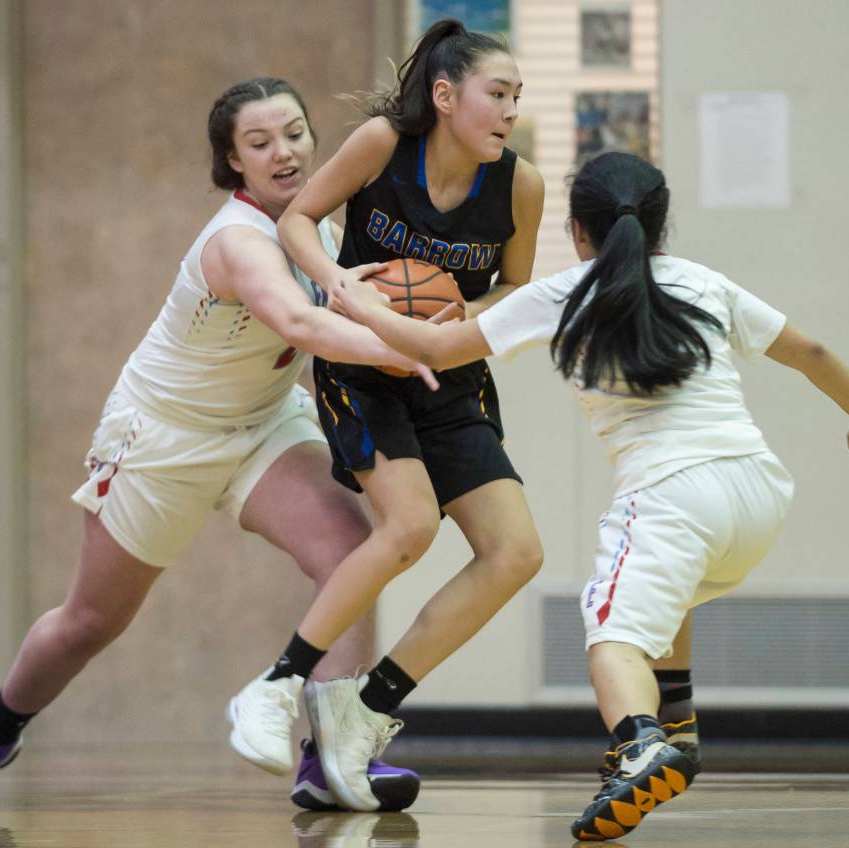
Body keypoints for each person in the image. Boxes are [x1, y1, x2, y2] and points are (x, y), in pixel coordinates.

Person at [332, 150, 849, 840]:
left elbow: (436, 346)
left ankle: (639, 744)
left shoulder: (561, 292)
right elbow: (808, 351)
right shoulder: (704, 281)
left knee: (611, 635)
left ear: (577, 232)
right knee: (671, 592)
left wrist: (356, 300)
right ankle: (677, 722)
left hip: (672, 496)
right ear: (659, 226)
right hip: (758, 491)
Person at [0, 78, 425, 812]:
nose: (283, 152)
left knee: (351, 554)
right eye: (260, 143)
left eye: (293, 132)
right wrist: (405, 347)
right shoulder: (235, 242)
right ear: (233, 162)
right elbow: (305, 325)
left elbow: (347, 304)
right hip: (163, 437)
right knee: (92, 621)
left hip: (263, 423)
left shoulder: (320, 232)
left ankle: (329, 759)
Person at [226, 19, 546, 812]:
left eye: (516, 97)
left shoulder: (521, 186)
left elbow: (515, 288)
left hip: (449, 372)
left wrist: (462, 327)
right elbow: (298, 218)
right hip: (363, 368)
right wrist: (345, 286)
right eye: (495, 94)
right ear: (445, 96)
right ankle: (276, 687)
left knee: (516, 552)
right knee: (409, 526)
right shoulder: (380, 144)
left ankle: (367, 707)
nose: (508, 111)